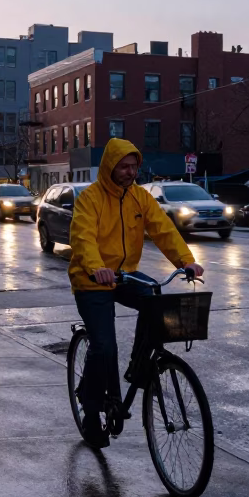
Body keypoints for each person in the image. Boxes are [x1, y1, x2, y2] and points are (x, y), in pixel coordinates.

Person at [68, 138, 204, 449]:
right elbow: (83, 237)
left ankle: (139, 366)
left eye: (134, 166)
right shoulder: (90, 199)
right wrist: (95, 267)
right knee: (103, 346)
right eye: (124, 166)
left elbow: (164, 230)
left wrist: (187, 262)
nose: (130, 172)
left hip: (125, 275)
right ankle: (91, 410)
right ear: (110, 167)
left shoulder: (140, 198)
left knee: (156, 298)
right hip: (92, 280)